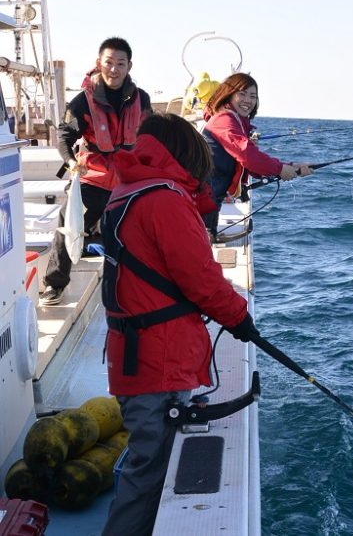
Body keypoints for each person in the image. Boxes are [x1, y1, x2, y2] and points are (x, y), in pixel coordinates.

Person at [100, 112, 258, 536]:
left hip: (136, 353)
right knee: (147, 472)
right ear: (187, 153)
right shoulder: (166, 199)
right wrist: (241, 320)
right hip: (157, 358)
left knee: (148, 465)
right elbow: (200, 278)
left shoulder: (129, 188)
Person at [40, 36, 152, 305]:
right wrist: (70, 162)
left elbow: (153, 136)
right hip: (94, 177)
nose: (114, 69)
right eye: (109, 63)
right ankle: (54, 284)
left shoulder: (141, 99)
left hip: (129, 178)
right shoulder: (82, 101)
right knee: (69, 225)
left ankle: (142, 285)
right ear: (98, 63)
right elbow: (64, 136)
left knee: (140, 231)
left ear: (129, 66)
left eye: (120, 64)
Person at [201, 72, 312, 238]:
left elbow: (250, 163)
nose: (248, 100)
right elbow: (248, 156)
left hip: (209, 201)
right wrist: (280, 169)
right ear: (228, 95)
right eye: (242, 94)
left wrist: (291, 167)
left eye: (253, 96)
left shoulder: (234, 120)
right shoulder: (224, 120)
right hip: (201, 202)